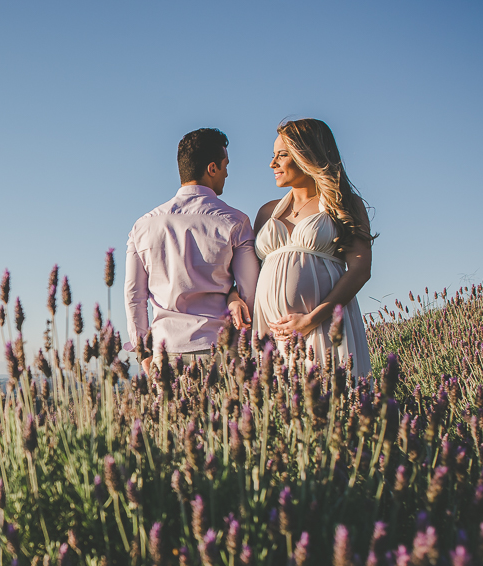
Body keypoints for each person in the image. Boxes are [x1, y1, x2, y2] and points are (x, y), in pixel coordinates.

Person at [124, 128, 259, 375]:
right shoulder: (236, 222)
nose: (227, 173)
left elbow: (134, 295)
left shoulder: (143, 226)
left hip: (166, 353)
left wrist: (143, 352)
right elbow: (250, 291)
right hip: (219, 351)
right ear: (212, 169)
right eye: (225, 165)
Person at [252, 119, 373, 378]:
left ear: (307, 155)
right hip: (273, 334)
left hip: (324, 326)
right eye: (273, 156)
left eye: (282, 155)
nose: (272, 164)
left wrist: (311, 320)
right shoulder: (266, 212)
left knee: (333, 406)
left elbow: (361, 269)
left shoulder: (342, 204)